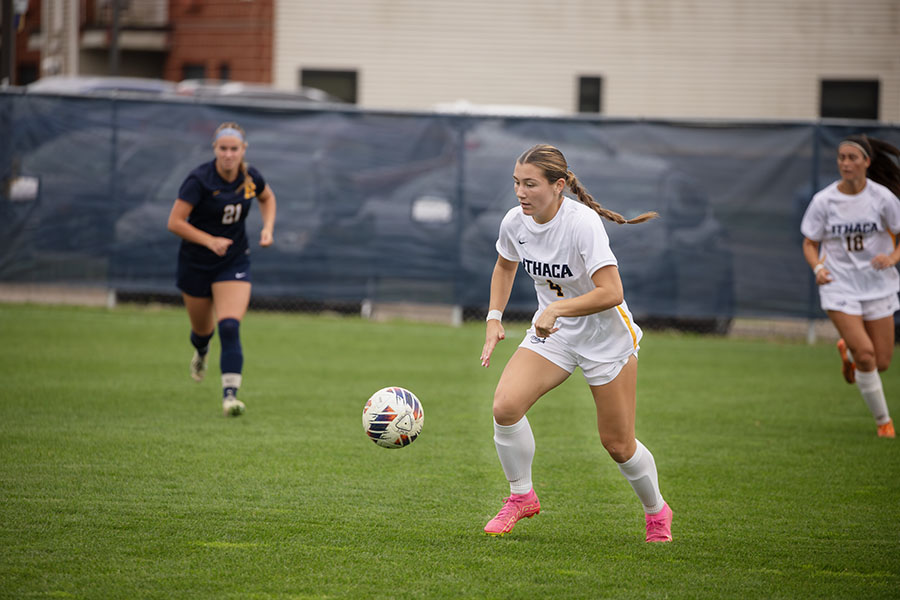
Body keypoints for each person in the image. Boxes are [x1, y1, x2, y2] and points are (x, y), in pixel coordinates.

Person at [479, 143, 673, 542]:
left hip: (606, 339)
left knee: (618, 444)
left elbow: (612, 292)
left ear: (559, 185)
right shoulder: (515, 222)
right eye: (516, 183)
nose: (520, 192)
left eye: (530, 184)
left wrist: (556, 311)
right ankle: (521, 497)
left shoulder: (582, 223)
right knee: (505, 406)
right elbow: (504, 264)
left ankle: (657, 511)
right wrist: (494, 318)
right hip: (555, 335)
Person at [167, 122, 277, 417]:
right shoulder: (199, 180)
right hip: (196, 263)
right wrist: (209, 240)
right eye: (223, 148)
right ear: (215, 149)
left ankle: (230, 396)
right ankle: (201, 352)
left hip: (233, 260)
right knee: (202, 331)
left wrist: (267, 229)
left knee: (229, 326)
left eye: (234, 149)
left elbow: (267, 197)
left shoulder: (250, 177)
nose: (229, 154)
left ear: (244, 150)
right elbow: (175, 222)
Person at [801, 134, 900, 439]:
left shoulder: (883, 198)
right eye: (842, 157)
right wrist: (818, 267)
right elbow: (809, 242)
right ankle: (884, 423)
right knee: (867, 356)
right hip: (839, 284)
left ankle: (849, 353)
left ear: (867, 162)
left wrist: (893, 257)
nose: (845, 163)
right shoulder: (824, 200)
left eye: (852, 157)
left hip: (876, 284)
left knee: (881, 361)